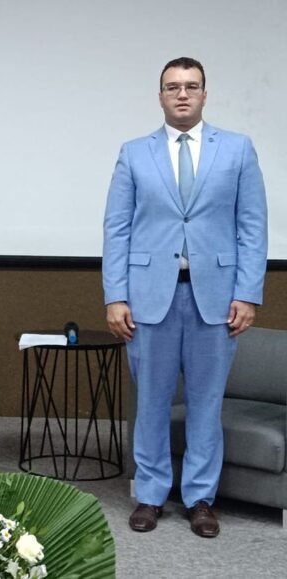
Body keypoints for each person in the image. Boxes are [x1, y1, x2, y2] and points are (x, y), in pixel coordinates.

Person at [102, 57, 268, 538]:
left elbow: (252, 226)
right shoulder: (134, 153)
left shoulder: (237, 149)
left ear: (204, 95)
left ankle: (200, 498)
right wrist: (115, 296)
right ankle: (151, 494)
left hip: (215, 298)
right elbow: (116, 229)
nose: (182, 94)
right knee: (151, 403)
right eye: (172, 86)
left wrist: (248, 294)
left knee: (206, 404)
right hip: (148, 297)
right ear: (160, 96)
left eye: (191, 86)